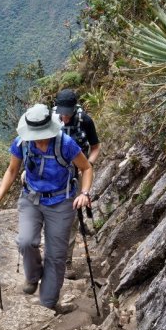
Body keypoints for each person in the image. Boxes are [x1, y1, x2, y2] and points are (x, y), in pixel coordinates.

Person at [0, 104, 92, 312]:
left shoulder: (65, 144)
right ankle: (33, 275)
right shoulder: (22, 143)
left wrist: (85, 193)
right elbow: (12, 170)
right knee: (26, 241)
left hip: (61, 201)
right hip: (31, 198)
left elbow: (86, 167)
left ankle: (48, 303)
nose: (38, 139)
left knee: (56, 255)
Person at [54, 89, 101, 279]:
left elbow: (95, 147)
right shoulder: (51, 119)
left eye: (68, 113)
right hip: (56, 172)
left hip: (78, 170)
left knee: (73, 216)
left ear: (74, 109)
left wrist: (88, 165)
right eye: (62, 113)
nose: (64, 117)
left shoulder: (85, 121)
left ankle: (66, 261)